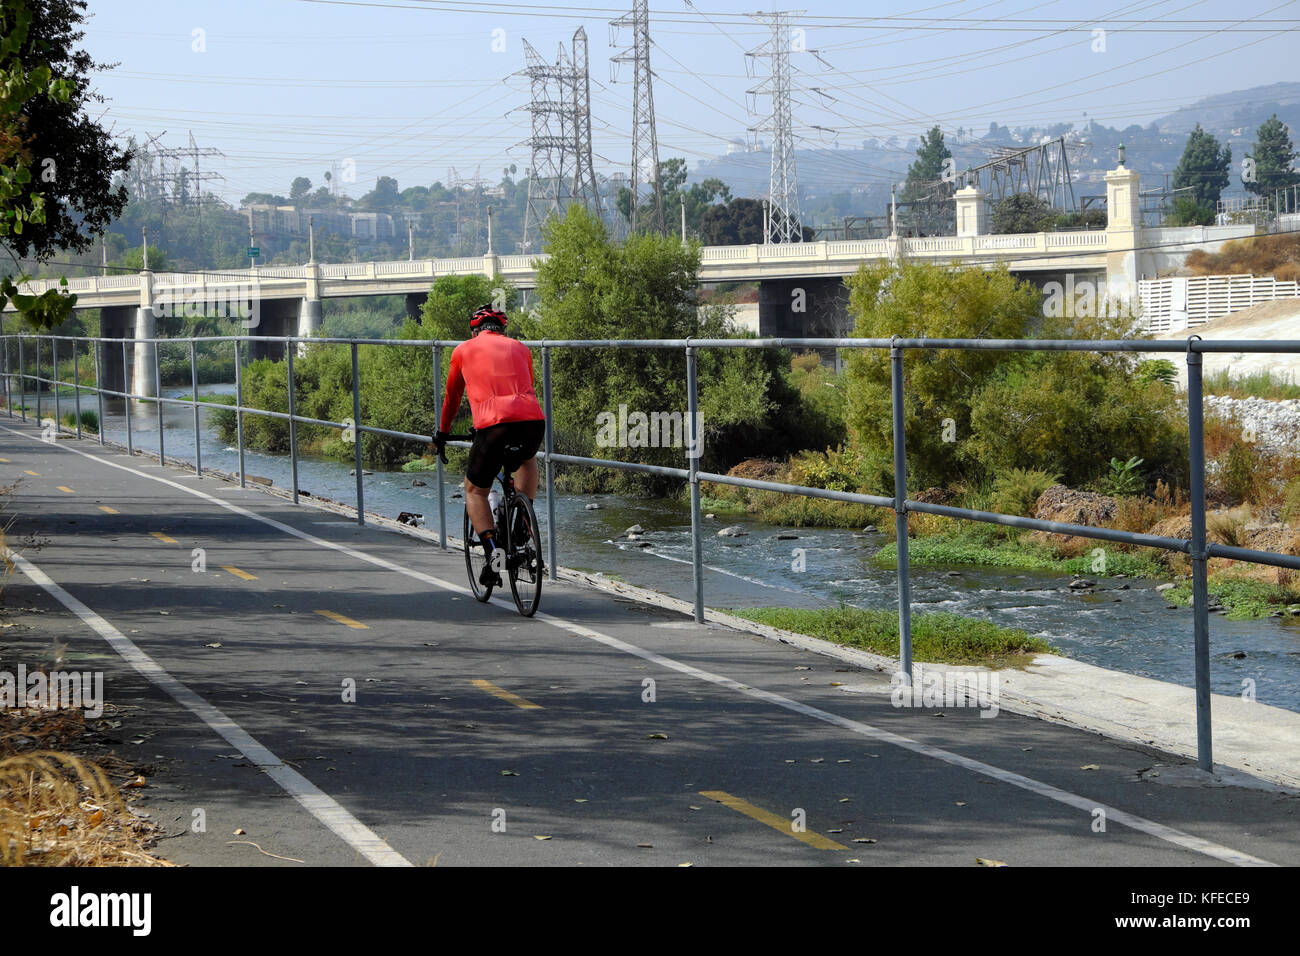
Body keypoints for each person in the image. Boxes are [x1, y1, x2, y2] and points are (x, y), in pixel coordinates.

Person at [432, 305, 545, 587]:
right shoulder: (521, 348)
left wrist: (443, 433)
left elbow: (452, 398)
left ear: (475, 331)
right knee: (528, 460)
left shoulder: (463, 351)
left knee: (475, 491)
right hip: (532, 422)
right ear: (502, 330)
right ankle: (521, 522)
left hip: (494, 426)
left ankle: (493, 552)